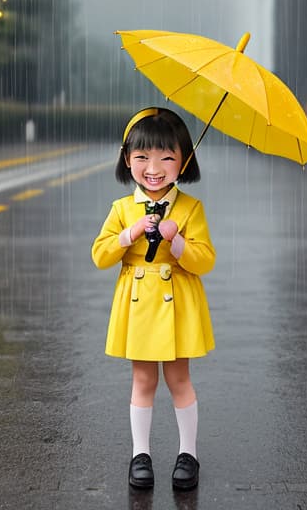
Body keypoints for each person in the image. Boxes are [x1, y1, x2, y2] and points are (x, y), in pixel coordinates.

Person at [91, 107, 216, 491]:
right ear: (126, 158)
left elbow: (205, 259)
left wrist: (177, 242)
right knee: (143, 379)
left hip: (177, 300)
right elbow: (100, 255)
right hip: (140, 303)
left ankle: (188, 453)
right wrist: (128, 235)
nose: (154, 167)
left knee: (180, 378)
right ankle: (139, 453)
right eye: (142, 156)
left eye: (166, 156)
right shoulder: (121, 209)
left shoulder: (190, 208)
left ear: (184, 160)